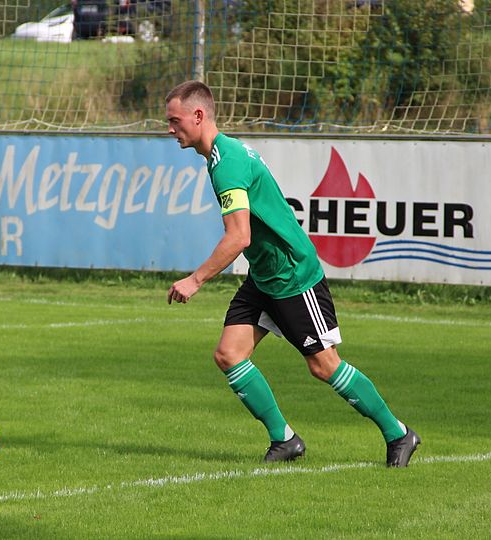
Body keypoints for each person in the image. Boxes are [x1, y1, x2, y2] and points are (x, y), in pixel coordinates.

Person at [164, 80, 420, 466]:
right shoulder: (222, 155)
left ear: (198, 116)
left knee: (323, 365)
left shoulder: (227, 162)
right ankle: (284, 440)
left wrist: (195, 279)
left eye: (175, 120)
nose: (170, 129)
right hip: (265, 274)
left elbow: (239, 236)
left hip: (291, 275)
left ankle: (398, 434)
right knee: (229, 354)